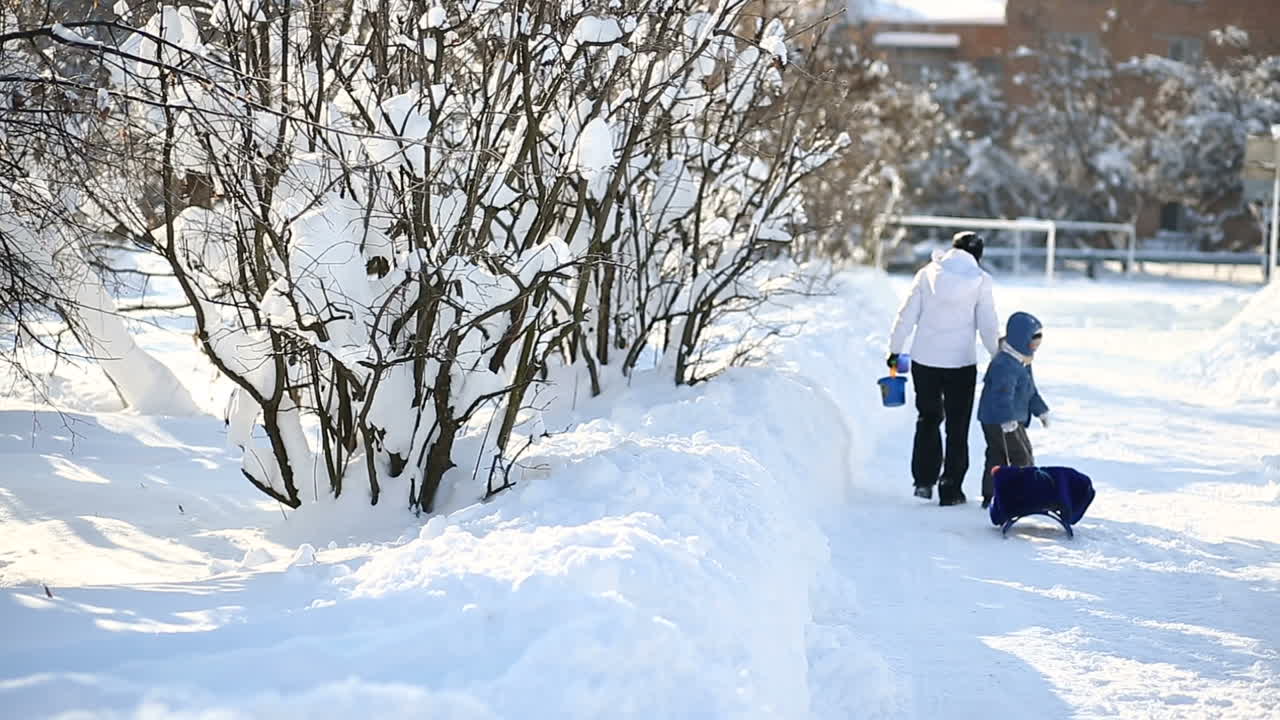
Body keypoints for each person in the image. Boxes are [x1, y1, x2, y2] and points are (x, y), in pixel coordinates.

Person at [888, 231, 1000, 506]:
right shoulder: (981, 282)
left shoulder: (927, 273)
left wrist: (894, 349)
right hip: (961, 364)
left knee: (927, 419)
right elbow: (987, 325)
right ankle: (951, 488)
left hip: (924, 360)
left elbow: (906, 315)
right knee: (957, 427)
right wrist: (999, 356)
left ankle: (924, 482)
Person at [976, 311, 1050, 509]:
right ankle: (1014, 496)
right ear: (1021, 338)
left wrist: (1040, 410)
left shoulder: (1022, 360)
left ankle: (1005, 495)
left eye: (1039, 339)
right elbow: (1000, 395)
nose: (1037, 344)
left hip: (1011, 418)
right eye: (1034, 339)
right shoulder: (1004, 364)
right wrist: (1006, 419)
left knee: (1019, 453)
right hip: (998, 419)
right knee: (1017, 457)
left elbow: (1030, 390)